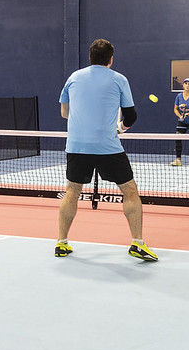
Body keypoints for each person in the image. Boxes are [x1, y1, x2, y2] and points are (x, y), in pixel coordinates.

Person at [55, 39, 157, 261]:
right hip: (107, 146)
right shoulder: (119, 79)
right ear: (111, 59)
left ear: (90, 57)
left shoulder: (73, 77)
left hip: (76, 146)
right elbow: (131, 117)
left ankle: (61, 243)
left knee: (72, 190)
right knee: (129, 190)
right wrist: (120, 128)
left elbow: (64, 113)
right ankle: (137, 243)